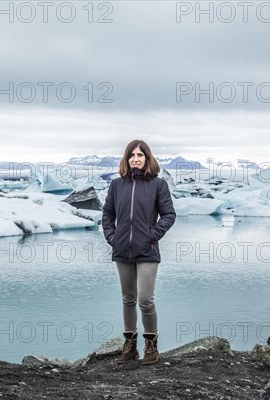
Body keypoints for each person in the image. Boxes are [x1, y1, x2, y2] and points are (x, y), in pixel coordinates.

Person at [102, 139, 176, 365]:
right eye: (132, 155)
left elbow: (168, 215)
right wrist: (112, 238)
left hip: (147, 250)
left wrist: (152, 235)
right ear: (126, 159)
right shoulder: (117, 185)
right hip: (122, 250)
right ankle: (130, 346)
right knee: (127, 298)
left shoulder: (157, 184)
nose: (136, 158)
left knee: (145, 299)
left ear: (147, 158)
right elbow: (107, 214)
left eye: (140, 155)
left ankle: (151, 346)